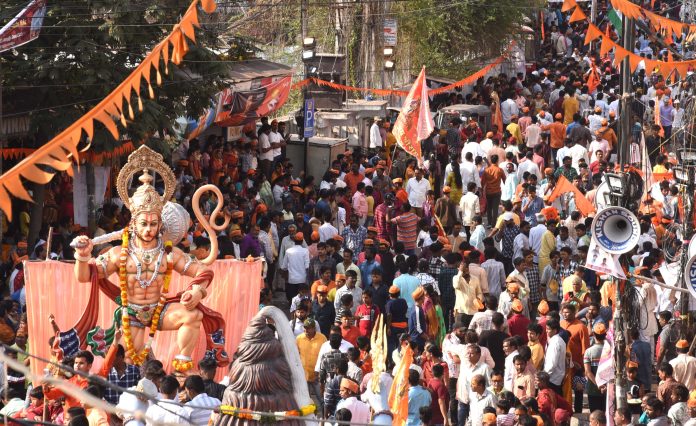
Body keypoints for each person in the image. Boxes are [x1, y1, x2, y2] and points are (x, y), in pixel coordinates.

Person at [584, 323, 607, 412]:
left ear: (593, 334)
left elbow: (588, 372)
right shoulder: (610, 350)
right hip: (608, 389)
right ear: (605, 335)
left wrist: (599, 385)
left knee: (595, 415)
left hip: (593, 389)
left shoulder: (589, 352)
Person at [543, 318, 566, 395]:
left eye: (548, 329)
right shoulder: (557, 340)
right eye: (546, 328)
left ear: (555, 330)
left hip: (552, 379)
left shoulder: (555, 343)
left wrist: (543, 376)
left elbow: (552, 364)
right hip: (555, 378)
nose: (546, 331)